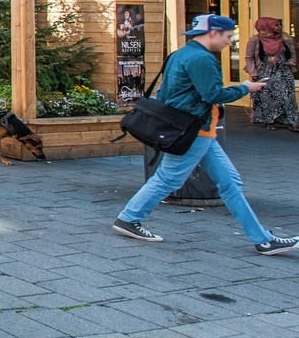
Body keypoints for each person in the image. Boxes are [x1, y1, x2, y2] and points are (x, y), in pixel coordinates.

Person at [114, 14, 298, 254]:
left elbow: (169, 93)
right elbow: (213, 95)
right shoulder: (203, 59)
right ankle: (129, 218)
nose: (229, 41)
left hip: (192, 129)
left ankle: (263, 240)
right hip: (195, 130)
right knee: (170, 179)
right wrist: (245, 88)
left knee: (229, 182)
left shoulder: (180, 54)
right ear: (213, 33)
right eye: (227, 36)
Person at [246, 16, 298, 131]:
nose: (279, 27)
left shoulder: (284, 38)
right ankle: (269, 120)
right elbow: (249, 58)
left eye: (280, 25)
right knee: (268, 97)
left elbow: (292, 53)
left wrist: (291, 63)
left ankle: (291, 121)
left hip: (283, 70)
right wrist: (253, 73)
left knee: (287, 96)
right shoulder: (255, 40)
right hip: (266, 71)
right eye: (276, 25)